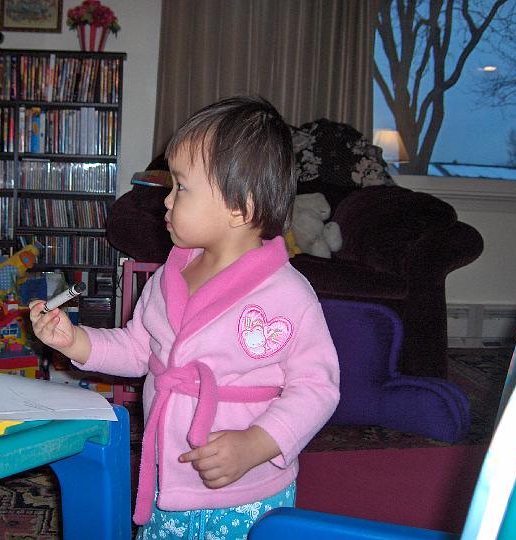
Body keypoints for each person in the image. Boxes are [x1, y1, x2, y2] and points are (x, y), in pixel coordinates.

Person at [29, 96, 340, 539]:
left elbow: (317, 387)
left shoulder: (287, 294)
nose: (167, 201)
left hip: (245, 492)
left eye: (181, 187)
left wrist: (257, 443)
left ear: (240, 206)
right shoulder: (168, 277)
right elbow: (139, 348)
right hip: (168, 479)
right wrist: (75, 340)